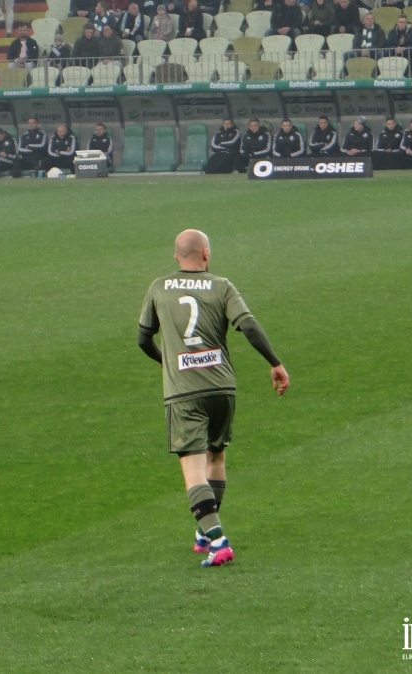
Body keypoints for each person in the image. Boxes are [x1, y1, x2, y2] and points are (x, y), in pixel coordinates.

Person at [137, 229, 289, 568]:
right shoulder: (222, 286)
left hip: (185, 391)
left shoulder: (159, 287)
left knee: (192, 467)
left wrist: (168, 362)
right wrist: (275, 363)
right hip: (222, 387)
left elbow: (142, 339)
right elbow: (248, 326)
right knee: (216, 459)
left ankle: (218, 541)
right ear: (206, 254)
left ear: (176, 257)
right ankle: (204, 534)